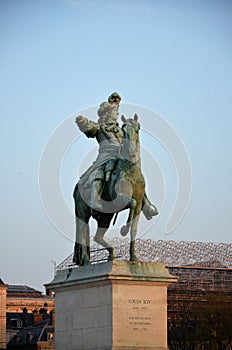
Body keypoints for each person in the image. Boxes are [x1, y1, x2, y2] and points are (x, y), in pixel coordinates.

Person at [76, 92, 158, 219]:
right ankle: (95, 199)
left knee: (135, 176)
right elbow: (89, 127)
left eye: (117, 112)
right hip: (105, 156)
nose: (117, 115)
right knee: (100, 172)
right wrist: (82, 121)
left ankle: (146, 206)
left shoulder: (121, 129)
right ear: (107, 114)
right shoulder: (100, 127)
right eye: (115, 112)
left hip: (120, 156)